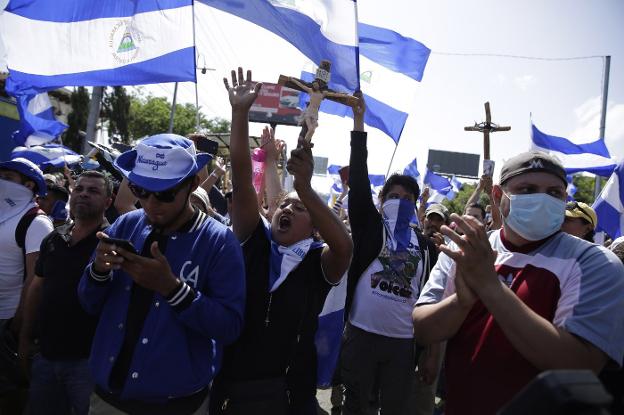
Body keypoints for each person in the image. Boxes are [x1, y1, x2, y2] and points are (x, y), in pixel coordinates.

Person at [413, 151, 624, 415]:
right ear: (499, 196)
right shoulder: (468, 248)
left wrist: (490, 287)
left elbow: (578, 366)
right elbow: (423, 330)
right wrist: (462, 302)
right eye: (528, 189)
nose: (543, 199)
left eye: (555, 193)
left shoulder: (596, 263)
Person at [210, 68, 352, 415]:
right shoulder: (252, 238)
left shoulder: (318, 262)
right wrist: (239, 113)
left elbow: (345, 247)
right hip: (233, 387)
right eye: (283, 204)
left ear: (315, 225)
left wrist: (304, 188)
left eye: (299, 208)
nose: (286, 208)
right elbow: (243, 179)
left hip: (290, 396)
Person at [78, 134, 246, 414]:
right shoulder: (125, 225)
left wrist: (173, 289)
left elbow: (229, 327)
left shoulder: (219, 242)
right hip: (108, 399)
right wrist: (97, 272)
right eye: (141, 190)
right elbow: (88, 302)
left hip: (177, 406)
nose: (151, 203)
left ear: (193, 184)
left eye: (165, 193)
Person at [341, 92, 439, 415]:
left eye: (407, 197)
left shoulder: (426, 247)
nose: (400, 200)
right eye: (393, 195)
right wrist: (359, 124)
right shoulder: (371, 228)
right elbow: (357, 178)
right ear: (382, 201)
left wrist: (427, 352)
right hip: (361, 336)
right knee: (356, 408)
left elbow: (432, 299)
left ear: (415, 206)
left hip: (402, 345)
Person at [20, 171, 112, 415]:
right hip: (46, 356)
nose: (83, 194)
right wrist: (25, 337)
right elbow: (36, 288)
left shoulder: (111, 245)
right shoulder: (53, 239)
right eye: (79, 189)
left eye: (93, 191)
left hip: (89, 363)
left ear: (108, 202)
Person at [0, 158, 53, 332]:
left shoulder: (37, 223)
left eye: (8, 177)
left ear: (29, 185)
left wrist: (17, 327)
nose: (2, 181)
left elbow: (35, 281)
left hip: (8, 319)